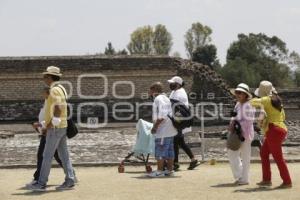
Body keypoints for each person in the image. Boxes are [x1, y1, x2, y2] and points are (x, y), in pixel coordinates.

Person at [28, 66, 75, 191]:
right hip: (63, 126)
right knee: (64, 155)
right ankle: (70, 180)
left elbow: (58, 108)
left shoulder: (53, 90)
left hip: (55, 129)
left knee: (46, 156)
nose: (44, 79)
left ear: (50, 77)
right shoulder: (62, 89)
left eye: (45, 76)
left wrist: (48, 125)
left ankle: (41, 183)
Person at [251, 81, 292, 188]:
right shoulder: (278, 101)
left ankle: (287, 181)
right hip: (280, 129)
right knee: (264, 153)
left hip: (273, 130)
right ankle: (266, 179)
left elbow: (252, 102)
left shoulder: (266, 99)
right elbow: (283, 117)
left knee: (278, 158)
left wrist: (247, 97)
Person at [167, 76, 198, 170]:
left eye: (172, 83)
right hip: (177, 120)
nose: (170, 85)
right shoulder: (175, 91)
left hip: (179, 120)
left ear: (178, 84)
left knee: (176, 141)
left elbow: (173, 106)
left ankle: (176, 163)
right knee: (179, 141)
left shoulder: (180, 93)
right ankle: (192, 159)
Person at [148, 82, 177, 178]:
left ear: (154, 90)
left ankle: (160, 171)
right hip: (170, 130)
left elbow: (162, 116)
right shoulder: (166, 98)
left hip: (163, 131)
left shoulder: (158, 99)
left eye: (150, 90)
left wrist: (155, 127)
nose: (149, 92)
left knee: (160, 151)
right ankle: (170, 170)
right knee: (169, 151)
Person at [228, 83, 255, 185]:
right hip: (237, 133)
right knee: (232, 154)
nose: (238, 94)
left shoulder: (248, 105)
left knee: (245, 156)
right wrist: (231, 123)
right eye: (237, 92)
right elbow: (234, 116)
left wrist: (235, 125)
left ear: (245, 94)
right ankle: (241, 176)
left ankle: (244, 178)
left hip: (245, 134)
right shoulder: (238, 104)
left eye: (240, 93)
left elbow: (249, 121)